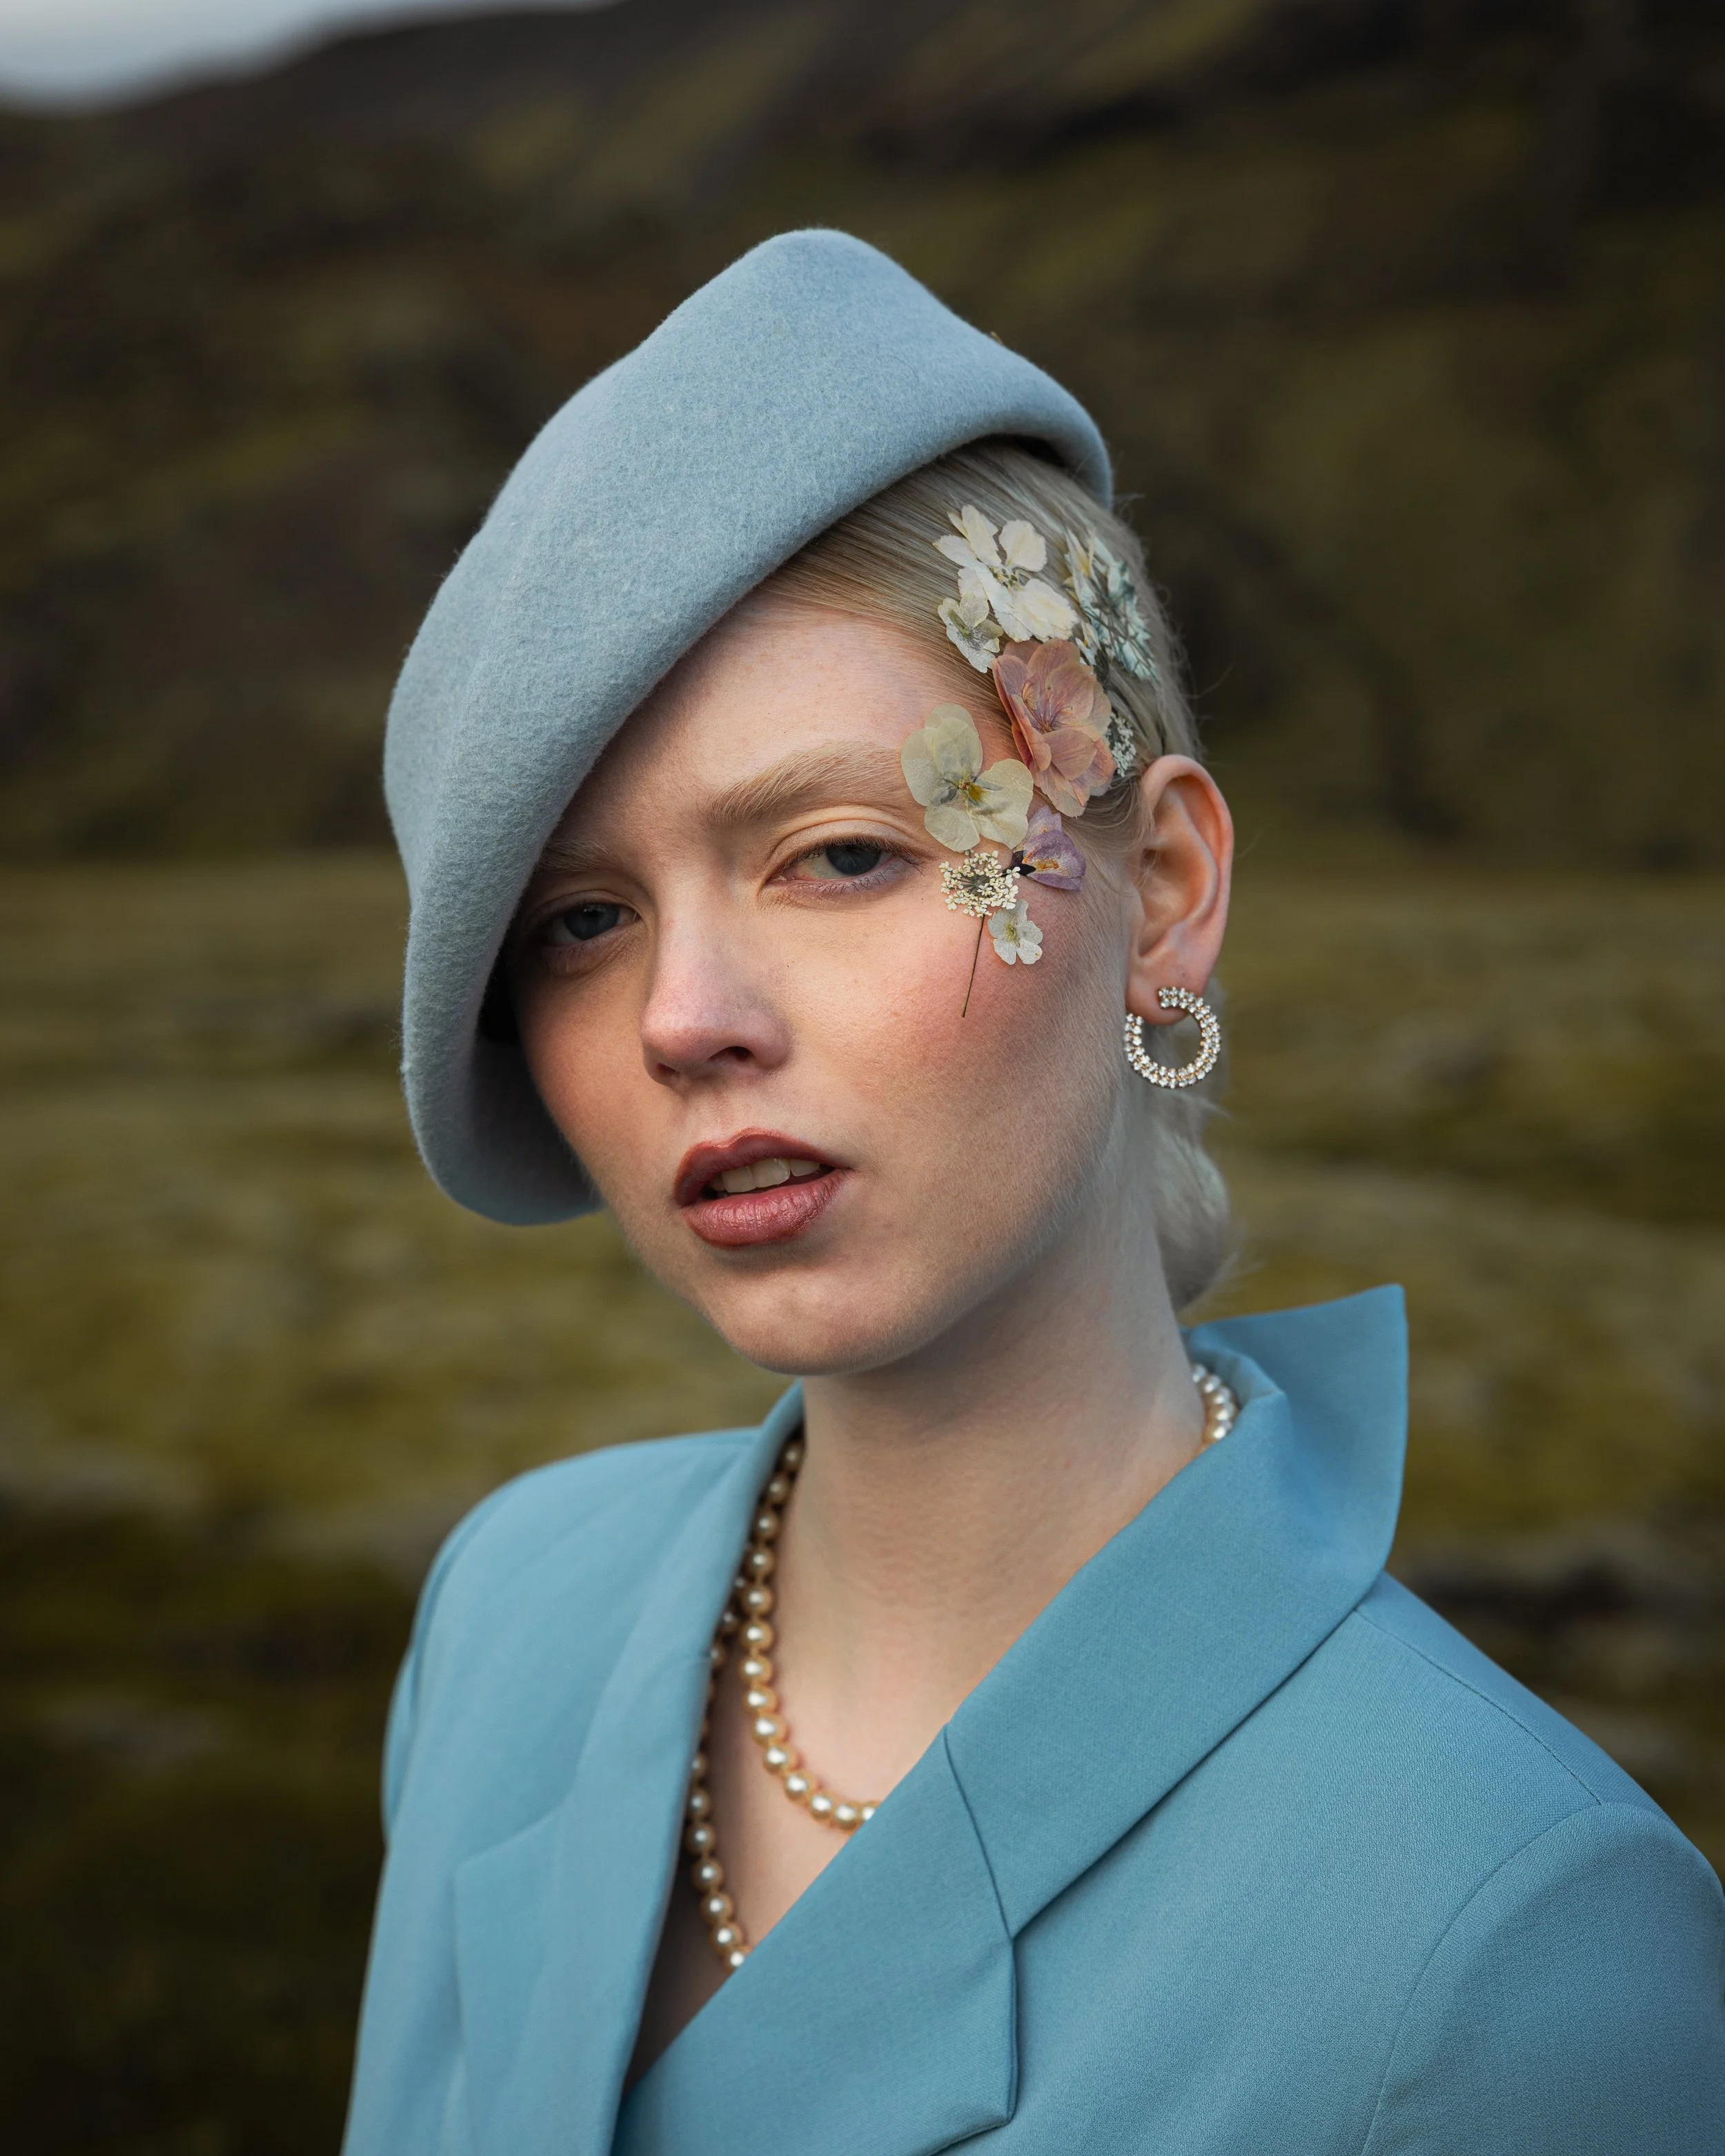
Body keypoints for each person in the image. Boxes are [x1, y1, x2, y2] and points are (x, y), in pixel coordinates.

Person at [342, 231, 1724, 2156]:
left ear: (1161, 890)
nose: (682, 1018)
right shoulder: (513, 1602)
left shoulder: (1511, 1946)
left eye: (832, 854)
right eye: (582, 920)